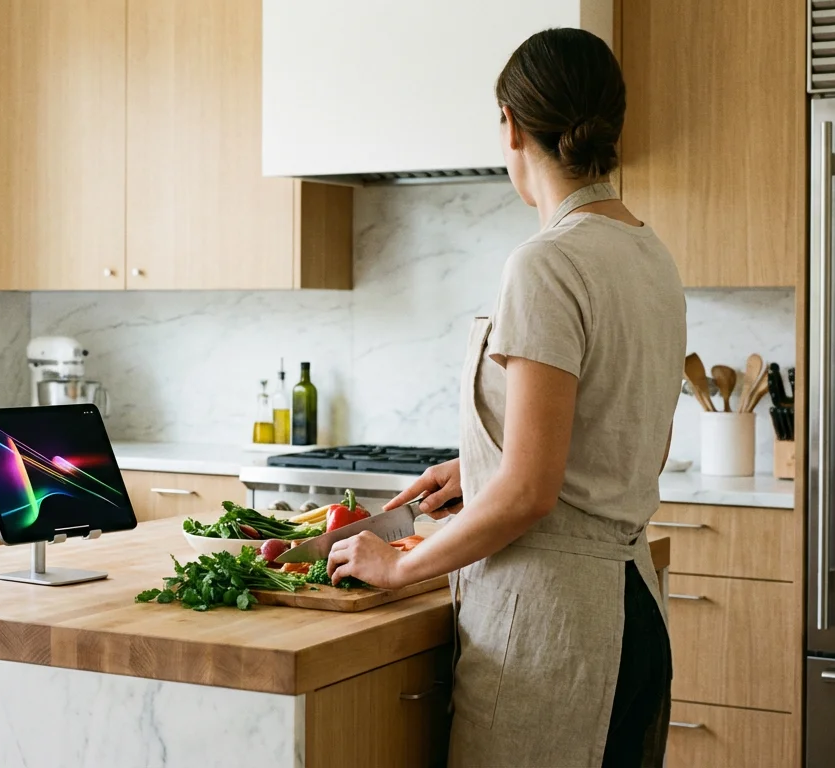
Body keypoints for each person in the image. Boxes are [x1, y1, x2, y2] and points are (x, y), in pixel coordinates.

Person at [325, 27, 685, 767]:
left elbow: (528, 493)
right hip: (634, 616)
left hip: (554, 631)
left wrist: (396, 567)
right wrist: (480, 468)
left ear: (512, 125)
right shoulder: (649, 254)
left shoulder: (547, 262)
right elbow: (618, 434)